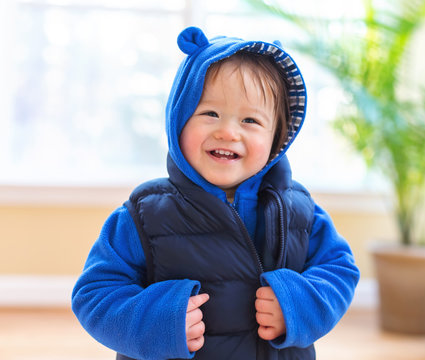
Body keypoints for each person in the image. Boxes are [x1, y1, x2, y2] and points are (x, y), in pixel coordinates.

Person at [71, 26, 359, 360]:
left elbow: (339, 271)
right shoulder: (144, 214)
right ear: (178, 120)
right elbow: (95, 296)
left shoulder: (300, 210)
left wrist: (297, 306)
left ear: (276, 138)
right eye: (210, 114)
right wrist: (160, 321)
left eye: (250, 120)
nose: (227, 131)